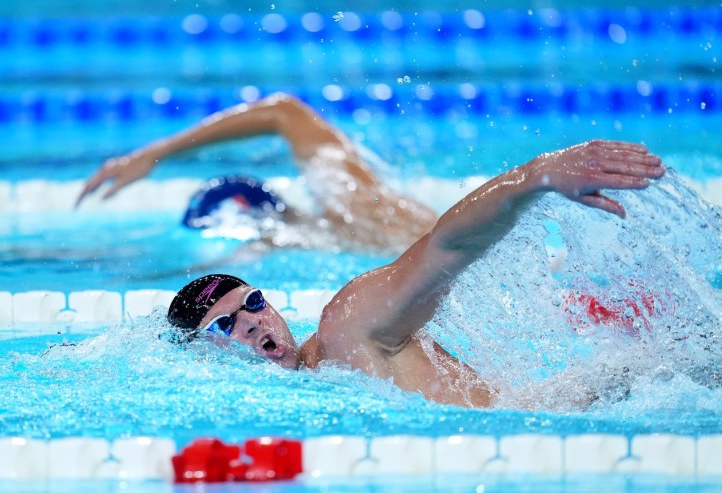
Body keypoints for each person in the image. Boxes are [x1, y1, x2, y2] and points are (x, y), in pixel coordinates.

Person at [77, 93, 665, 407]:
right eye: (228, 325)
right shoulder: (304, 382)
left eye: (253, 302)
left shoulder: (346, 322)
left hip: (578, 359)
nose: (253, 322)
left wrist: (535, 176)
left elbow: (448, 244)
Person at [75, 93, 438, 255]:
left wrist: (155, 152)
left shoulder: (347, 201)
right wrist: (155, 153)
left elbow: (284, 110)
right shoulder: (338, 204)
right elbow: (285, 111)